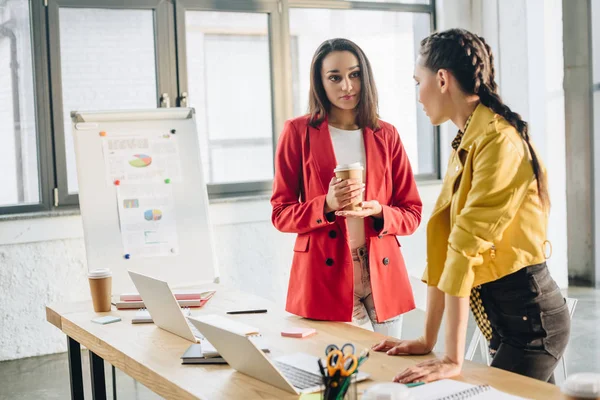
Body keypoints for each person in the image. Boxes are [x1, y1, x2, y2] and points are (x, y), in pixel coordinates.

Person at [373, 28, 570, 383]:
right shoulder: (467, 141)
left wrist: (451, 357)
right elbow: (445, 247)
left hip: (532, 324)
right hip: (506, 322)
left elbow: (464, 248)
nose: (418, 94)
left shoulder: (498, 142)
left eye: (419, 81)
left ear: (443, 79)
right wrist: (427, 339)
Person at [271, 38, 422, 337]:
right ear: (320, 83)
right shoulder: (298, 132)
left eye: (354, 75)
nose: (346, 86)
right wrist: (325, 205)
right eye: (335, 77)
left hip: (382, 271)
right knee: (346, 376)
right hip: (327, 276)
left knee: (387, 371)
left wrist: (380, 211)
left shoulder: (386, 134)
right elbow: (280, 213)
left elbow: (412, 212)